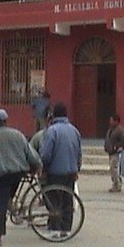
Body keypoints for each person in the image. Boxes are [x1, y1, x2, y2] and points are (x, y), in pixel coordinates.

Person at [0, 108, 41, 247]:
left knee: (2, 204)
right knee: (8, 198)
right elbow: (30, 153)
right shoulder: (17, 134)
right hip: (19, 172)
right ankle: (13, 206)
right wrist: (37, 165)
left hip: (4, 175)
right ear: (6, 121)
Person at [40, 102, 82, 238]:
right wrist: (77, 169)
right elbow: (79, 153)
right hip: (71, 171)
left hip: (55, 172)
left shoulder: (52, 131)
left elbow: (46, 154)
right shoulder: (74, 130)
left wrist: (43, 167)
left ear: (54, 115)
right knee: (67, 200)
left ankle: (55, 229)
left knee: (54, 200)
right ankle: (66, 229)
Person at [104, 114, 124, 192]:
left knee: (114, 168)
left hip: (116, 152)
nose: (110, 122)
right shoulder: (111, 129)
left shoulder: (120, 130)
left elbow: (123, 141)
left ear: (116, 121)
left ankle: (117, 184)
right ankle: (115, 183)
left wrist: (118, 147)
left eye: (112, 120)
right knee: (112, 169)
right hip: (110, 152)